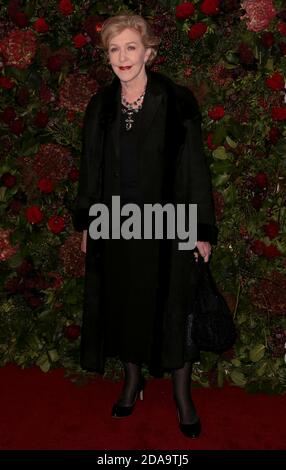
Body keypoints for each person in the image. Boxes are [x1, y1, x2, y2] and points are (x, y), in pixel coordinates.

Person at [73, 14, 217, 439]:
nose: (123, 57)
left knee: (175, 309)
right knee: (124, 305)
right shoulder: (100, 106)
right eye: (114, 49)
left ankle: (182, 395)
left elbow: (194, 168)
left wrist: (200, 229)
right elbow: (90, 170)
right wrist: (88, 222)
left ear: (148, 52)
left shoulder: (176, 101)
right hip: (116, 224)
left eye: (131, 47)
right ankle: (132, 380)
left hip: (169, 223)